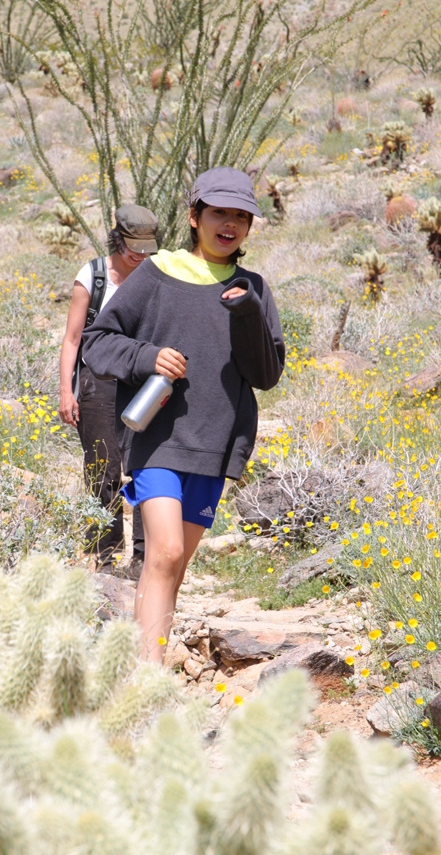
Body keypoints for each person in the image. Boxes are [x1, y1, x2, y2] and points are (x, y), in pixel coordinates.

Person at [82, 168, 285, 660]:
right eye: (219, 213)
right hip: (157, 439)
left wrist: (247, 314)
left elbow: (266, 373)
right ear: (194, 217)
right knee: (164, 551)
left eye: (241, 216)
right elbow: (98, 341)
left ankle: (145, 667)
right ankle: (145, 680)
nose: (230, 225)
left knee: (175, 566)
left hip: (216, 444)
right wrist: (147, 357)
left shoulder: (252, 288)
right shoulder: (158, 274)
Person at [59, 205, 159, 578]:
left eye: (147, 247)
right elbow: (72, 339)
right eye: (134, 246)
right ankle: (103, 555)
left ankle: (143, 557)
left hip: (143, 381)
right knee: (103, 469)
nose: (140, 254)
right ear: (118, 238)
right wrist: (66, 391)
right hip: (98, 381)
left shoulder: (157, 274)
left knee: (145, 467)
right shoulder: (94, 275)